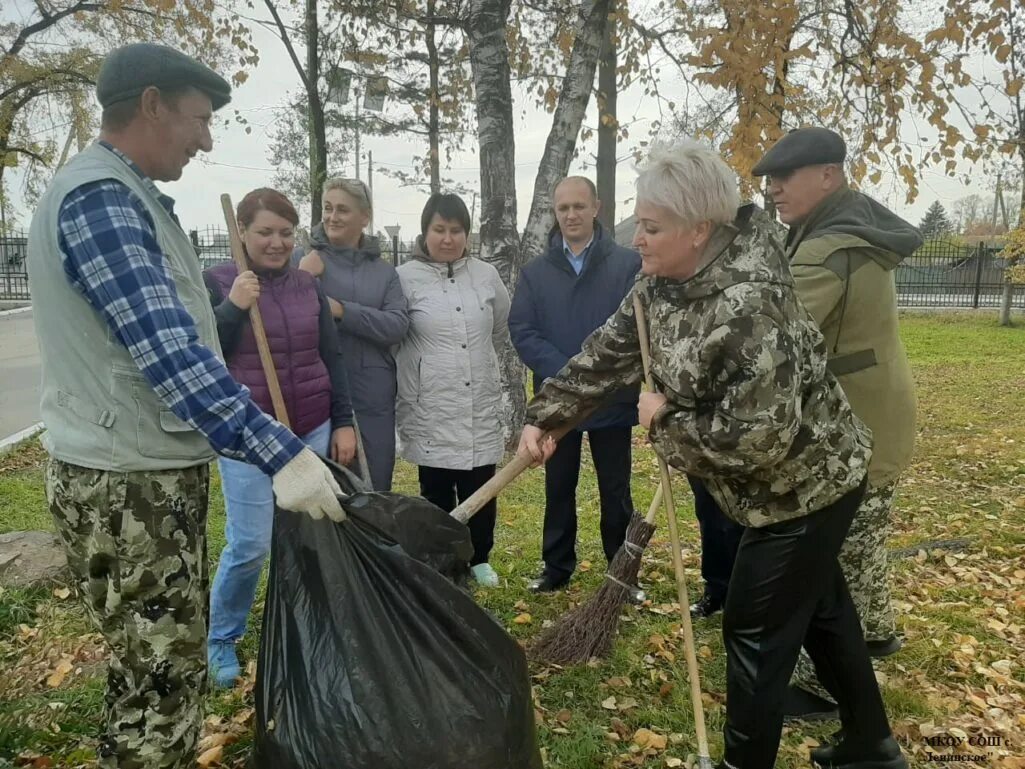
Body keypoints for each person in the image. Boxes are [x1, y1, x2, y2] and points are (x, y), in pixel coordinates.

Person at [518, 141, 908, 769]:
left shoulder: (752, 304)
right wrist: (546, 415)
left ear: (699, 229)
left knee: (753, 629)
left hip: (806, 487)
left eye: (652, 227)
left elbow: (757, 438)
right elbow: (606, 354)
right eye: (639, 224)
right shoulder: (659, 285)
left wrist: (662, 420)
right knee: (824, 611)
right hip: (775, 486)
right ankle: (873, 745)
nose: (637, 239)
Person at [26, 44, 343, 769]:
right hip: (128, 487)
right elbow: (170, 354)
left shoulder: (127, 196)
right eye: (199, 120)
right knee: (163, 683)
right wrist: (280, 451)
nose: (205, 140)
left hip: (137, 473)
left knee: (150, 674)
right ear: (151, 105)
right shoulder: (102, 201)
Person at [752, 127, 920, 720]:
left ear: (828, 175)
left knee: (830, 557)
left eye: (784, 178)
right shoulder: (852, 225)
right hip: (879, 412)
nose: (773, 189)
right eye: (770, 180)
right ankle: (876, 630)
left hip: (856, 427)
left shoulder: (825, 249)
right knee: (864, 537)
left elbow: (771, 341)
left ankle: (822, 684)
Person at [203, 188, 357, 687]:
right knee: (250, 543)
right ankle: (222, 636)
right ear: (242, 232)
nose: (276, 243)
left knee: (313, 536)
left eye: (286, 233)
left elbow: (332, 357)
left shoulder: (306, 286)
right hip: (248, 434)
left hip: (309, 425)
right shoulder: (219, 282)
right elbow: (204, 355)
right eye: (264, 232)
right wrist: (233, 307)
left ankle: (311, 625)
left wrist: (343, 421)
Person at [509, 176, 640, 593]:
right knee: (559, 485)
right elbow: (523, 329)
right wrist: (567, 374)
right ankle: (556, 567)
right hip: (557, 400)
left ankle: (621, 573)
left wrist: (597, 377)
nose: (571, 215)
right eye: (563, 208)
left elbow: (635, 331)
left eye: (579, 206)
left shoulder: (627, 265)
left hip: (611, 398)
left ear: (596, 207)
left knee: (615, 489)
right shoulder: (536, 273)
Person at [395, 193, 511, 587]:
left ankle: (480, 558)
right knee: (436, 487)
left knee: (482, 482)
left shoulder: (485, 275)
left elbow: (499, 326)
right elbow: (396, 335)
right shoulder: (404, 278)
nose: (448, 238)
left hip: (478, 398)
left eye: (456, 230)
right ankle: (442, 558)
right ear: (425, 232)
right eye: (439, 229)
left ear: (467, 234)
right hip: (431, 402)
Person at [295, 177, 408, 491]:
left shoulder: (384, 273)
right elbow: (282, 318)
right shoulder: (303, 261)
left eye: (342, 210)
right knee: (323, 492)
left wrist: (342, 310)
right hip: (317, 395)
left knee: (375, 489)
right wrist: (302, 278)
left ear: (364, 217)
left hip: (372, 398)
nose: (332, 217)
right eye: (327, 208)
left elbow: (396, 325)